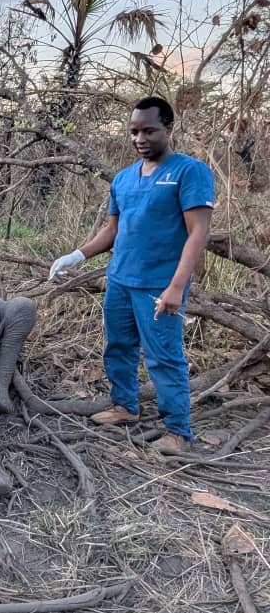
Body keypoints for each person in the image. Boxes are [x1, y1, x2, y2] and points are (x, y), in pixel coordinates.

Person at [48, 96, 214, 452]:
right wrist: (77, 255)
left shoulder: (189, 172)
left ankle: (178, 432)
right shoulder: (123, 179)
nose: (140, 138)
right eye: (134, 131)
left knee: (163, 356)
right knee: (119, 347)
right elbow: (113, 231)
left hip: (159, 284)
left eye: (149, 130)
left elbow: (198, 234)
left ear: (169, 129)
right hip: (120, 280)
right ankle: (124, 406)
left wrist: (176, 288)